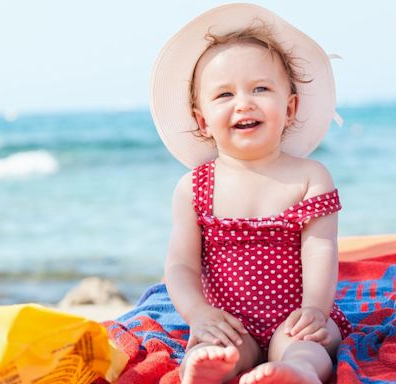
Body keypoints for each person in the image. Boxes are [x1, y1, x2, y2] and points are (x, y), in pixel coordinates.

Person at [149, 4, 352, 384]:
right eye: (224, 94)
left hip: (296, 315)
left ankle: (296, 372)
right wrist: (199, 314)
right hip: (228, 320)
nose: (244, 102)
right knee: (219, 348)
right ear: (201, 120)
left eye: (260, 88)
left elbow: (322, 249)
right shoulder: (194, 187)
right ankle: (216, 368)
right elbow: (181, 265)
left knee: (307, 346)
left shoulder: (310, 176)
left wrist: (315, 310)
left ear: (289, 108)